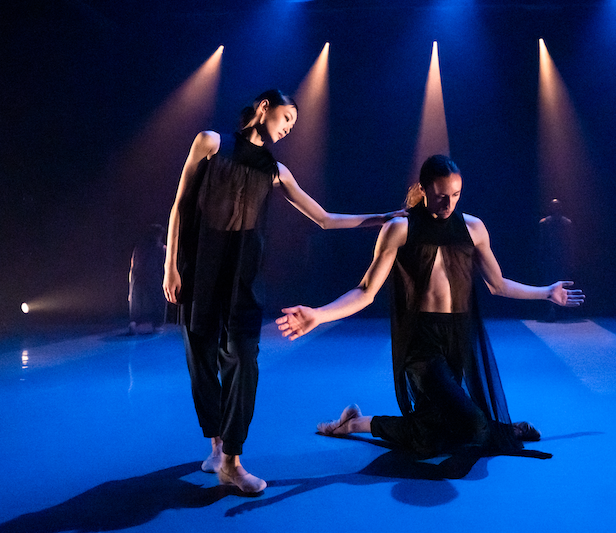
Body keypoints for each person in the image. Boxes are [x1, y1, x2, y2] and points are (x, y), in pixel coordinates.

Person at [163, 90, 402, 494]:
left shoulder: (276, 170)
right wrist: (170, 265)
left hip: (241, 273)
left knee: (244, 360)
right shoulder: (211, 142)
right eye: (286, 116)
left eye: (293, 123)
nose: (290, 126)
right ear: (263, 108)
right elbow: (180, 205)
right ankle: (217, 445)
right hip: (199, 267)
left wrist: (381, 218)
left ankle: (233, 461)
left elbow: (323, 219)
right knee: (200, 357)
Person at [276, 155, 585, 459]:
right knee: (472, 427)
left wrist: (547, 292)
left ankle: (354, 423)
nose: (448, 204)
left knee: (429, 437)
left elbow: (498, 284)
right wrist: (319, 314)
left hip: (457, 337)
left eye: (455, 195)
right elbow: (366, 291)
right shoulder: (400, 228)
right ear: (423, 189)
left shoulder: (473, 228)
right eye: (440, 196)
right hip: (420, 342)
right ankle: (499, 429)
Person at [538, 198, 574, 322]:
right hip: (550, 258)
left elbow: (570, 243)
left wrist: (569, 257)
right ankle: (551, 310)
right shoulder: (544, 223)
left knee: (563, 283)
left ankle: (562, 310)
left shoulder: (566, 223)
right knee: (550, 284)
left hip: (561, 258)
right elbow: (542, 242)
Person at [128, 224, 168, 335]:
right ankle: (157, 324)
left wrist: (131, 279)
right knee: (158, 300)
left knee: (136, 301)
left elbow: (133, 263)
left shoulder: (139, 247)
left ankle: (134, 322)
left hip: (138, 276)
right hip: (153, 277)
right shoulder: (161, 248)